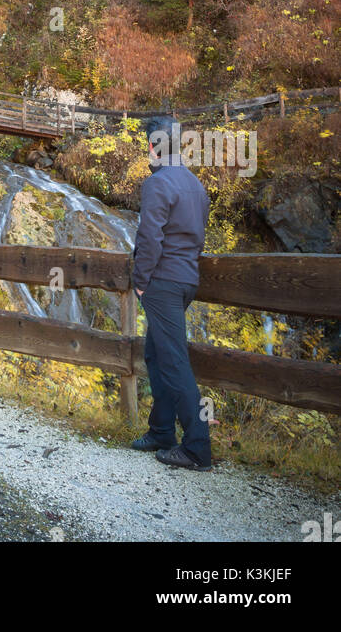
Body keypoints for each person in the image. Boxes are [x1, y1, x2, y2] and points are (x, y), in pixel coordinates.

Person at [131, 113, 212, 471]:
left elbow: (150, 237)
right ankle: (162, 430)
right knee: (156, 355)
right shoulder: (196, 184)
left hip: (161, 282)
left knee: (174, 360)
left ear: (153, 146)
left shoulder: (159, 182)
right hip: (186, 280)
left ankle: (197, 447)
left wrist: (141, 280)